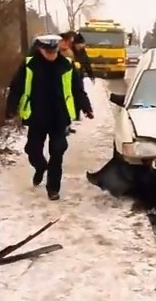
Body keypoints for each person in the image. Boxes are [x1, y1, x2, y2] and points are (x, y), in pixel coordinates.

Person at [5, 35, 94, 201]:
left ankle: (53, 188)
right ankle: (40, 167)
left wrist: (86, 107)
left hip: (59, 117)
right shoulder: (29, 65)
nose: (52, 55)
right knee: (32, 150)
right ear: (40, 49)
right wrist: (11, 108)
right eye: (48, 52)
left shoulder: (67, 66)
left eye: (54, 51)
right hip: (37, 117)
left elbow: (77, 90)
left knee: (57, 152)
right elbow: (16, 88)